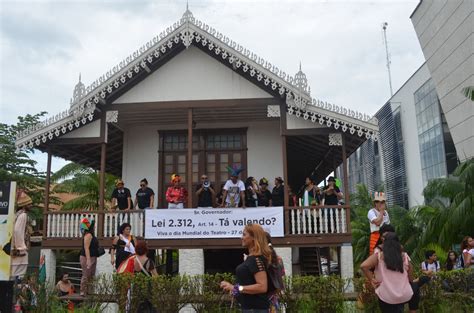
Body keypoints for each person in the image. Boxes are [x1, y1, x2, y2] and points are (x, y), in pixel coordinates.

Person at [220, 224, 271, 312]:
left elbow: (262, 287)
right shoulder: (252, 258)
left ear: (253, 238)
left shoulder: (256, 259)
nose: (241, 238)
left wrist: (235, 288)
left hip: (255, 310)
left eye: (244, 235)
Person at [361, 232, 414, 313]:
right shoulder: (404, 257)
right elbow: (411, 278)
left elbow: (364, 266)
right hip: (402, 295)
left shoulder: (379, 256)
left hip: (386, 295)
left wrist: (372, 279)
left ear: (384, 243)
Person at [10, 189, 33, 279]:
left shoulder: (17, 214)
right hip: (20, 248)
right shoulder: (23, 215)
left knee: (14, 272)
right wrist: (21, 247)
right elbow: (17, 231)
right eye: (29, 204)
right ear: (25, 205)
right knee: (19, 273)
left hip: (15, 246)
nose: (31, 205)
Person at [79, 217, 99, 296]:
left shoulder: (91, 235)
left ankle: (90, 291)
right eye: (93, 225)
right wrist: (88, 260)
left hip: (93, 257)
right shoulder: (88, 235)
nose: (94, 226)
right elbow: (86, 248)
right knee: (86, 274)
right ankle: (83, 291)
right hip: (87, 257)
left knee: (91, 275)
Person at [265, 232, 285, 312]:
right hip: (274, 297)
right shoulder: (278, 259)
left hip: (263, 299)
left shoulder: (260, 259)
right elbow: (282, 278)